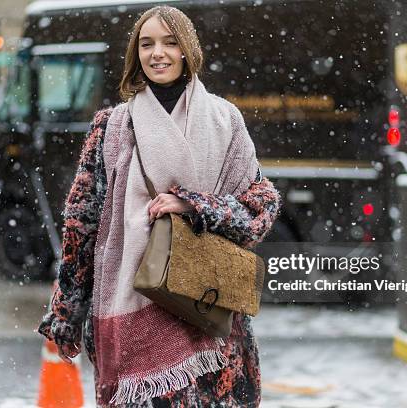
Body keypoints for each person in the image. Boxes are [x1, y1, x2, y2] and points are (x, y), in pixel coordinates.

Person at [38, 6, 281, 407]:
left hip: (210, 316)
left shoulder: (225, 120)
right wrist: (66, 312)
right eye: (147, 44)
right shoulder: (110, 127)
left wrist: (193, 204)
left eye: (170, 42)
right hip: (132, 310)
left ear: (187, 50)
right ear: (136, 54)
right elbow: (81, 226)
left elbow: (260, 210)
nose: (158, 53)